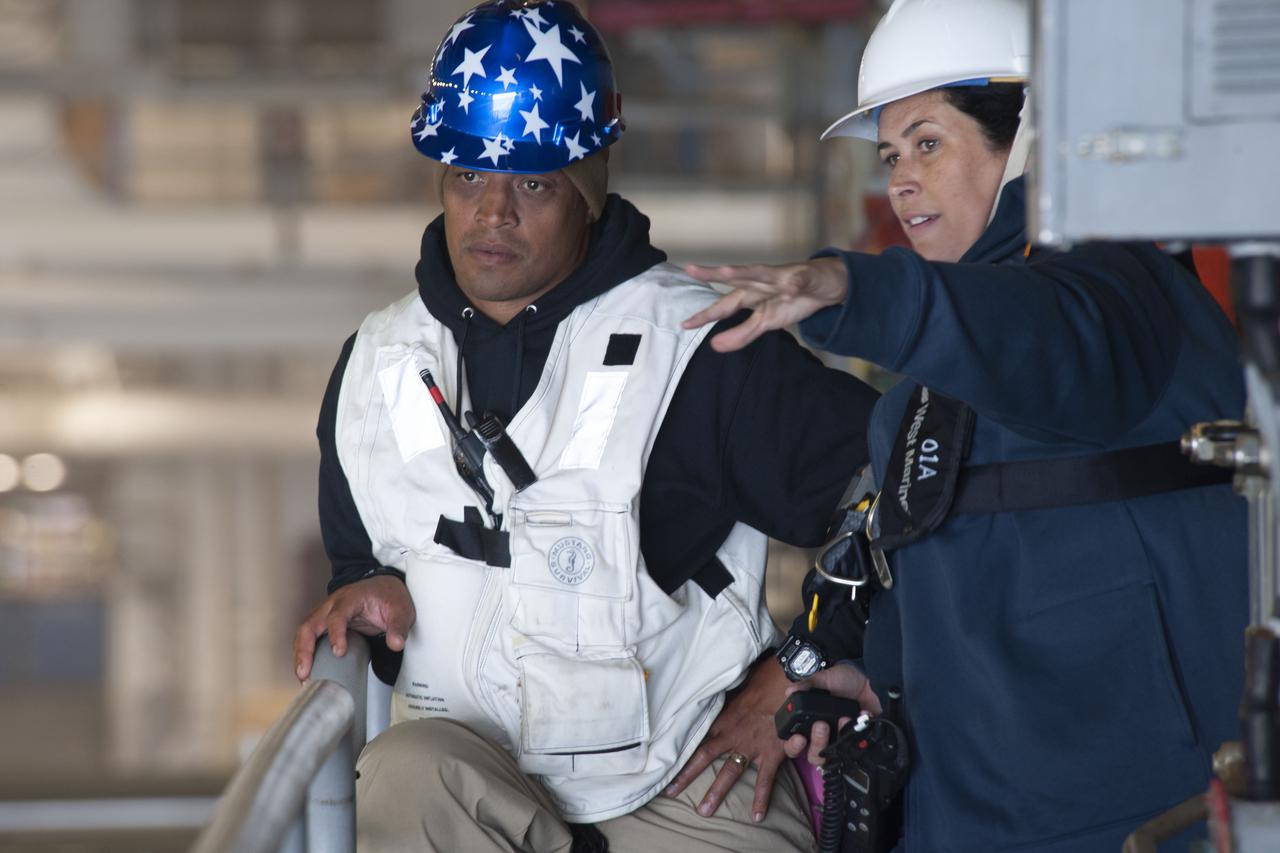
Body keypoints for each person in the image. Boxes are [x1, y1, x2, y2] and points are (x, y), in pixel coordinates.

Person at [290, 2, 881, 851]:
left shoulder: (698, 347)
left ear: (587, 188)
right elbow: (361, 561)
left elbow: (897, 493)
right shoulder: (375, 367)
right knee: (397, 774)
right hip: (474, 782)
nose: (492, 214)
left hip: (687, 778)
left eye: (531, 183)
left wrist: (805, 662)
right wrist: (373, 590)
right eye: (468, 178)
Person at [676, 0, 1249, 850]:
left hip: (1137, 822)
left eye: (930, 142)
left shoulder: (1125, 299)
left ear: (1025, 141)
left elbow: (1039, 336)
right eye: (891, 154)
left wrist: (851, 290)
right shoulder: (922, 395)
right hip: (968, 816)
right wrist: (870, 678)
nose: (901, 179)